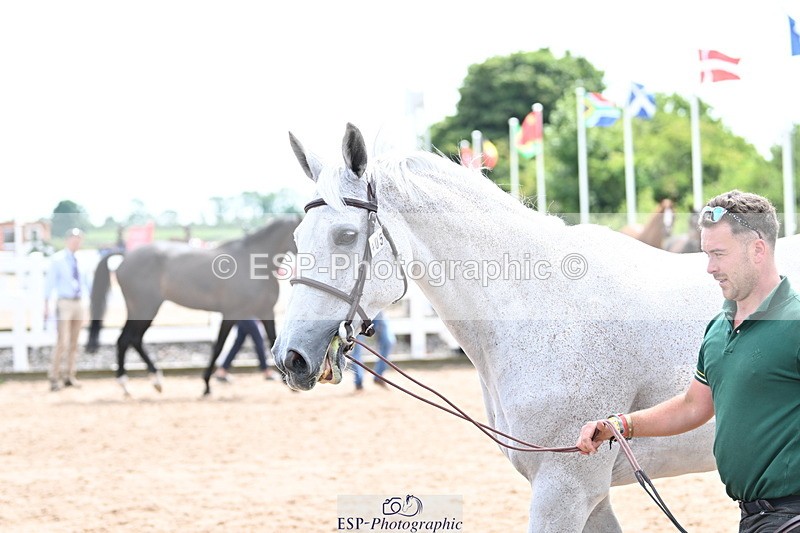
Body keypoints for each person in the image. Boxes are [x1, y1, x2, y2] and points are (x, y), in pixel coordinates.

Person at [575, 190, 800, 533]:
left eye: (719, 254)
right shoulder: (719, 327)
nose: (709, 268)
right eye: (707, 254)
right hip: (754, 518)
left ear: (758, 250)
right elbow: (693, 405)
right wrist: (619, 425)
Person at [44, 228, 89, 391]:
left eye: (79, 240)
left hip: (78, 302)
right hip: (64, 302)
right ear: (67, 240)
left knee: (74, 342)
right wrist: (46, 304)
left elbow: (87, 284)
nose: (76, 242)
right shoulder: (58, 260)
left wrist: (89, 306)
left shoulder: (82, 260)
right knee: (62, 341)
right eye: (73, 239)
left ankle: (69, 375)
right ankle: (54, 377)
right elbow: (49, 283)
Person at [351, 311, 396, 391]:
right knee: (355, 348)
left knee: (388, 342)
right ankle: (359, 382)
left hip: (378, 312)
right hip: (359, 315)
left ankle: (378, 376)